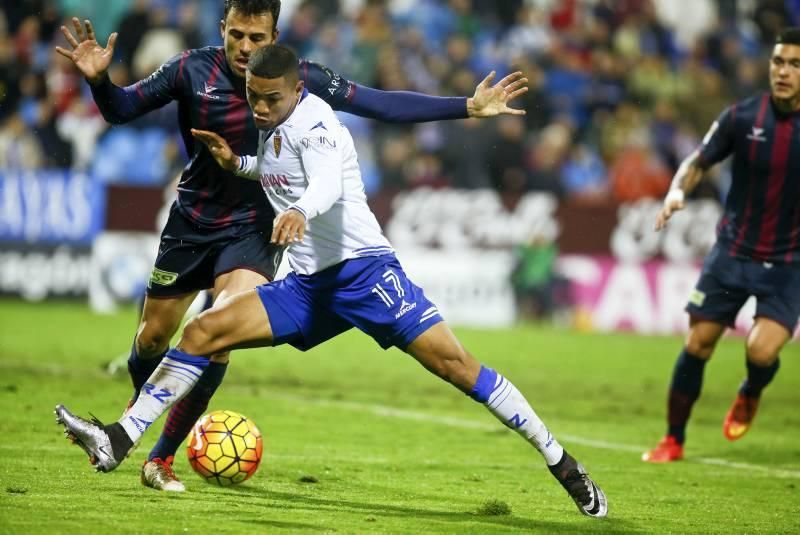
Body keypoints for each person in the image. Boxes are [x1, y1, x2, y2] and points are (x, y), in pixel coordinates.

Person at [56, 44, 608, 518]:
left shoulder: (315, 121)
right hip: (308, 288)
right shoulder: (271, 129)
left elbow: (323, 185)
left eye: (272, 98)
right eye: (253, 97)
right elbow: (277, 168)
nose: (261, 107)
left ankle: (560, 459)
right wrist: (237, 164)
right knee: (202, 334)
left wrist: (300, 212)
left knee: (459, 368)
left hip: (367, 276)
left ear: (297, 88)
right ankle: (119, 439)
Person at [642, 27, 800, 463]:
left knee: (761, 350)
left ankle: (751, 390)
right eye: (778, 62)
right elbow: (698, 160)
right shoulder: (743, 116)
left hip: (788, 263)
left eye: (795, 64)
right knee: (697, 345)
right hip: (732, 253)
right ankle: (673, 439)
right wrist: (677, 191)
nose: (783, 71)